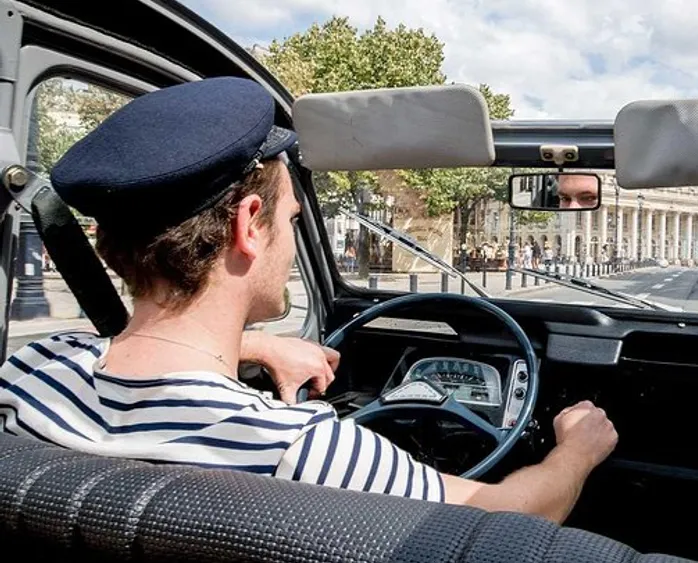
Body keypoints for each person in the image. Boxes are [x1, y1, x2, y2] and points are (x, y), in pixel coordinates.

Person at [0, 77, 617, 525]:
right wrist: (576, 451)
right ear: (249, 225)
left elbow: (130, 350)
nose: (294, 239)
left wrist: (252, 343)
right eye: (295, 218)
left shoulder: (33, 372)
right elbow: (510, 516)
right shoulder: (302, 452)